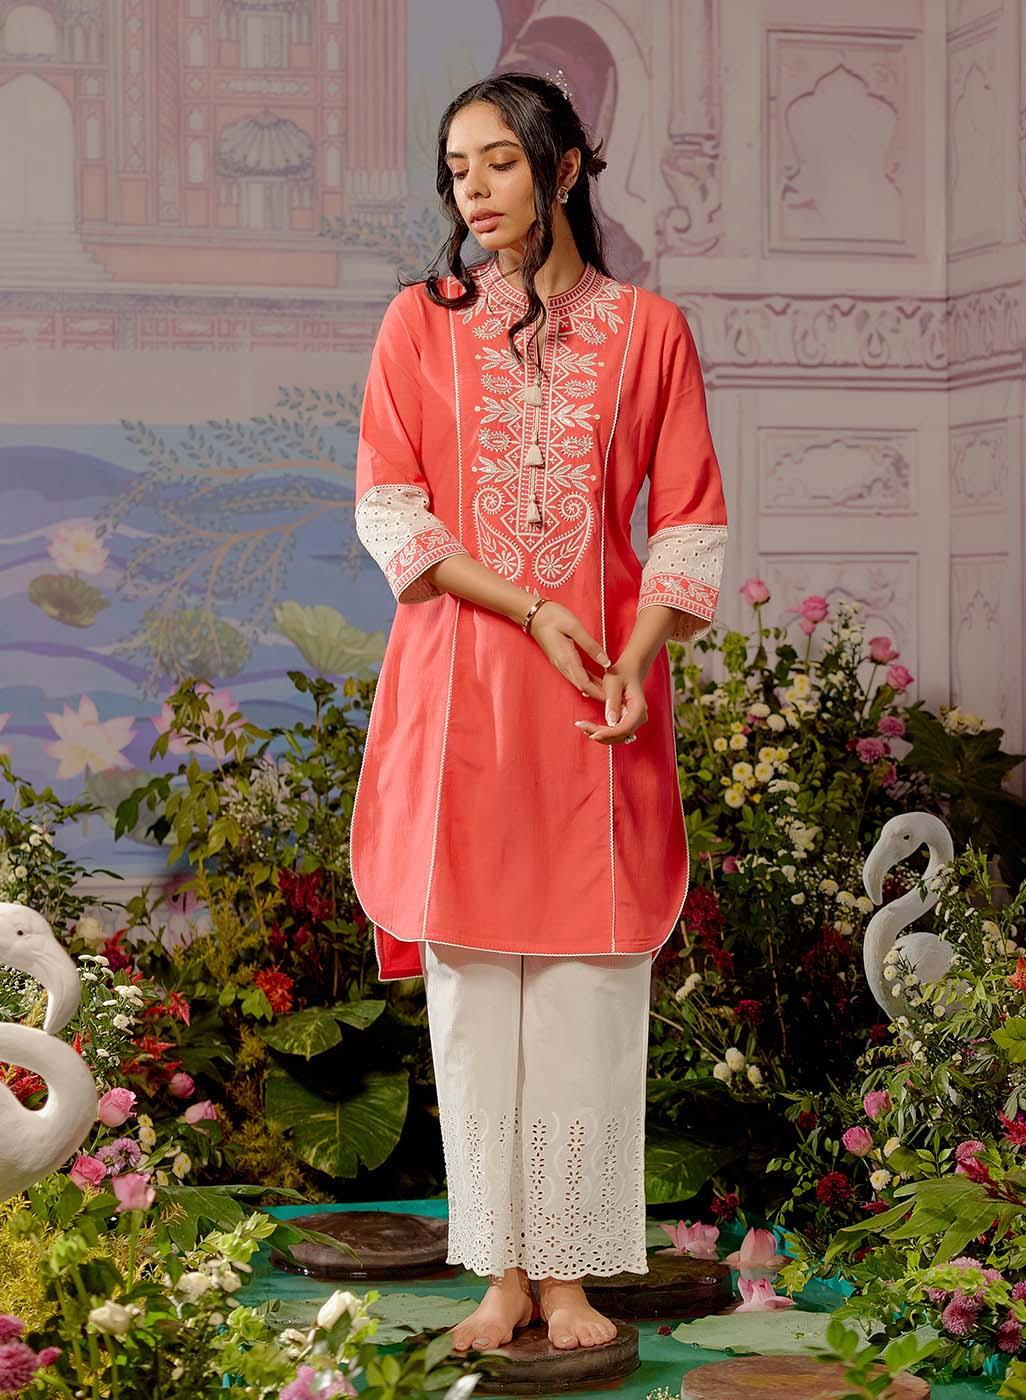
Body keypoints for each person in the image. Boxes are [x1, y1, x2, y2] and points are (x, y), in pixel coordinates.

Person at [348, 70, 728, 1354]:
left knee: (584, 986)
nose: (475, 189)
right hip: (460, 688)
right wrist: (529, 606)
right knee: (475, 992)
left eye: (501, 162)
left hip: (594, 699)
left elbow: (688, 523)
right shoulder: (418, 323)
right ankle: (502, 1276)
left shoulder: (651, 333)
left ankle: (568, 1276)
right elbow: (393, 511)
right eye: (458, 168)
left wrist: (631, 657)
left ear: (563, 170)